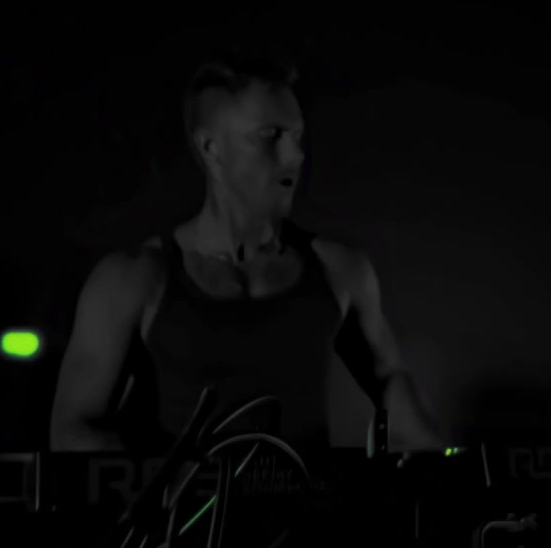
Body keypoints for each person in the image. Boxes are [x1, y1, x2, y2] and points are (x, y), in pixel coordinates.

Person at [49, 52, 446, 454]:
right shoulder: (132, 278)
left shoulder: (340, 269)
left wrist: (446, 463)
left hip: (306, 497)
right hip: (184, 497)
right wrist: (169, 483)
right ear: (212, 149)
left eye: (297, 136)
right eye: (271, 135)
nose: (296, 155)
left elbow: (393, 384)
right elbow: (72, 430)